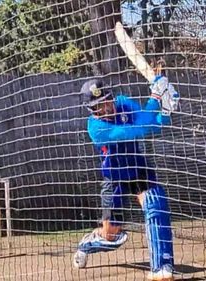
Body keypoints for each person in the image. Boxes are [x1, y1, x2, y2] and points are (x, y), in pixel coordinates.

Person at [72, 75, 180, 281]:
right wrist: (156, 98)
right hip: (114, 177)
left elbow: (148, 123)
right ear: (91, 109)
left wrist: (165, 113)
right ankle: (87, 244)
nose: (106, 108)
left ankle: (162, 267)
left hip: (138, 167)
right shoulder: (96, 129)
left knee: (156, 205)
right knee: (112, 237)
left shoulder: (123, 103)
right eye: (98, 106)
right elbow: (134, 130)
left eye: (107, 101)